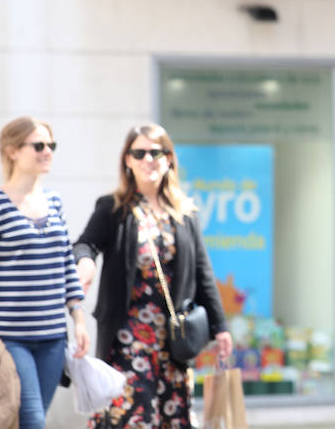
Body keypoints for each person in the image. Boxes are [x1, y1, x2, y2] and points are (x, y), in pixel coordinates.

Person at [73, 123, 233, 427]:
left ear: (169, 158)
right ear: (128, 160)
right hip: (128, 338)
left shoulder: (184, 213)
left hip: (174, 342)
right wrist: (85, 263)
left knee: (173, 417)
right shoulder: (113, 208)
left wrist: (220, 327)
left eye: (156, 152)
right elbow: (86, 243)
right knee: (133, 416)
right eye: (139, 152)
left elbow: (203, 273)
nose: (149, 159)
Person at [0, 117, 89, 429]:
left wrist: (78, 319)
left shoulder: (54, 201)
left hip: (52, 336)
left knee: (28, 421)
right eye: (38, 145)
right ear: (12, 151)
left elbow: (65, 261)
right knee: (33, 420)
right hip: (10, 338)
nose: (47, 151)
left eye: (51, 145)